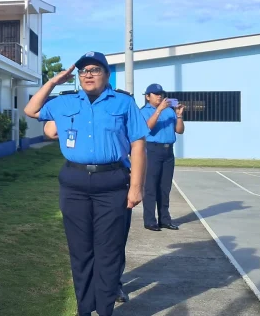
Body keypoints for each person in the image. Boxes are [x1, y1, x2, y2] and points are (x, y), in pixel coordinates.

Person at [25, 51, 148, 316]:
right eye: (83, 71)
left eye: (95, 69)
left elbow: (138, 145)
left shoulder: (124, 103)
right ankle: (84, 309)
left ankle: (104, 310)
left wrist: (136, 186)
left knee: (108, 251)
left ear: (107, 74)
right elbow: (31, 110)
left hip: (112, 182)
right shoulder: (65, 101)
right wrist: (53, 82)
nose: (88, 75)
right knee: (80, 251)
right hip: (75, 183)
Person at [140, 83, 185, 232]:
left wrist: (179, 115)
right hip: (152, 150)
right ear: (148, 96)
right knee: (150, 187)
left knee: (165, 188)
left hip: (168, 151)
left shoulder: (169, 111)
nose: (160, 96)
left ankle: (165, 219)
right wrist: (158, 110)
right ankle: (149, 221)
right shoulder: (144, 111)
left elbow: (179, 130)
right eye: (156, 94)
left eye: (161, 94)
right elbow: (147, 127)